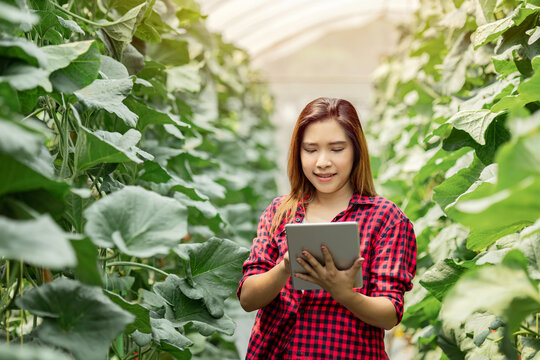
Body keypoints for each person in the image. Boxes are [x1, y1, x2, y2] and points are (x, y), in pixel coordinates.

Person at [237, 97, 417, 359]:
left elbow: (390, 313)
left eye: (336, 149)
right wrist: (285, 268)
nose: (322, 161)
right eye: (310, 150)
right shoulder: (280, 212)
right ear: (298, 153)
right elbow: (248, 298)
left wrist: (345, 294)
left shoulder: (386, 219)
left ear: (356, 151)